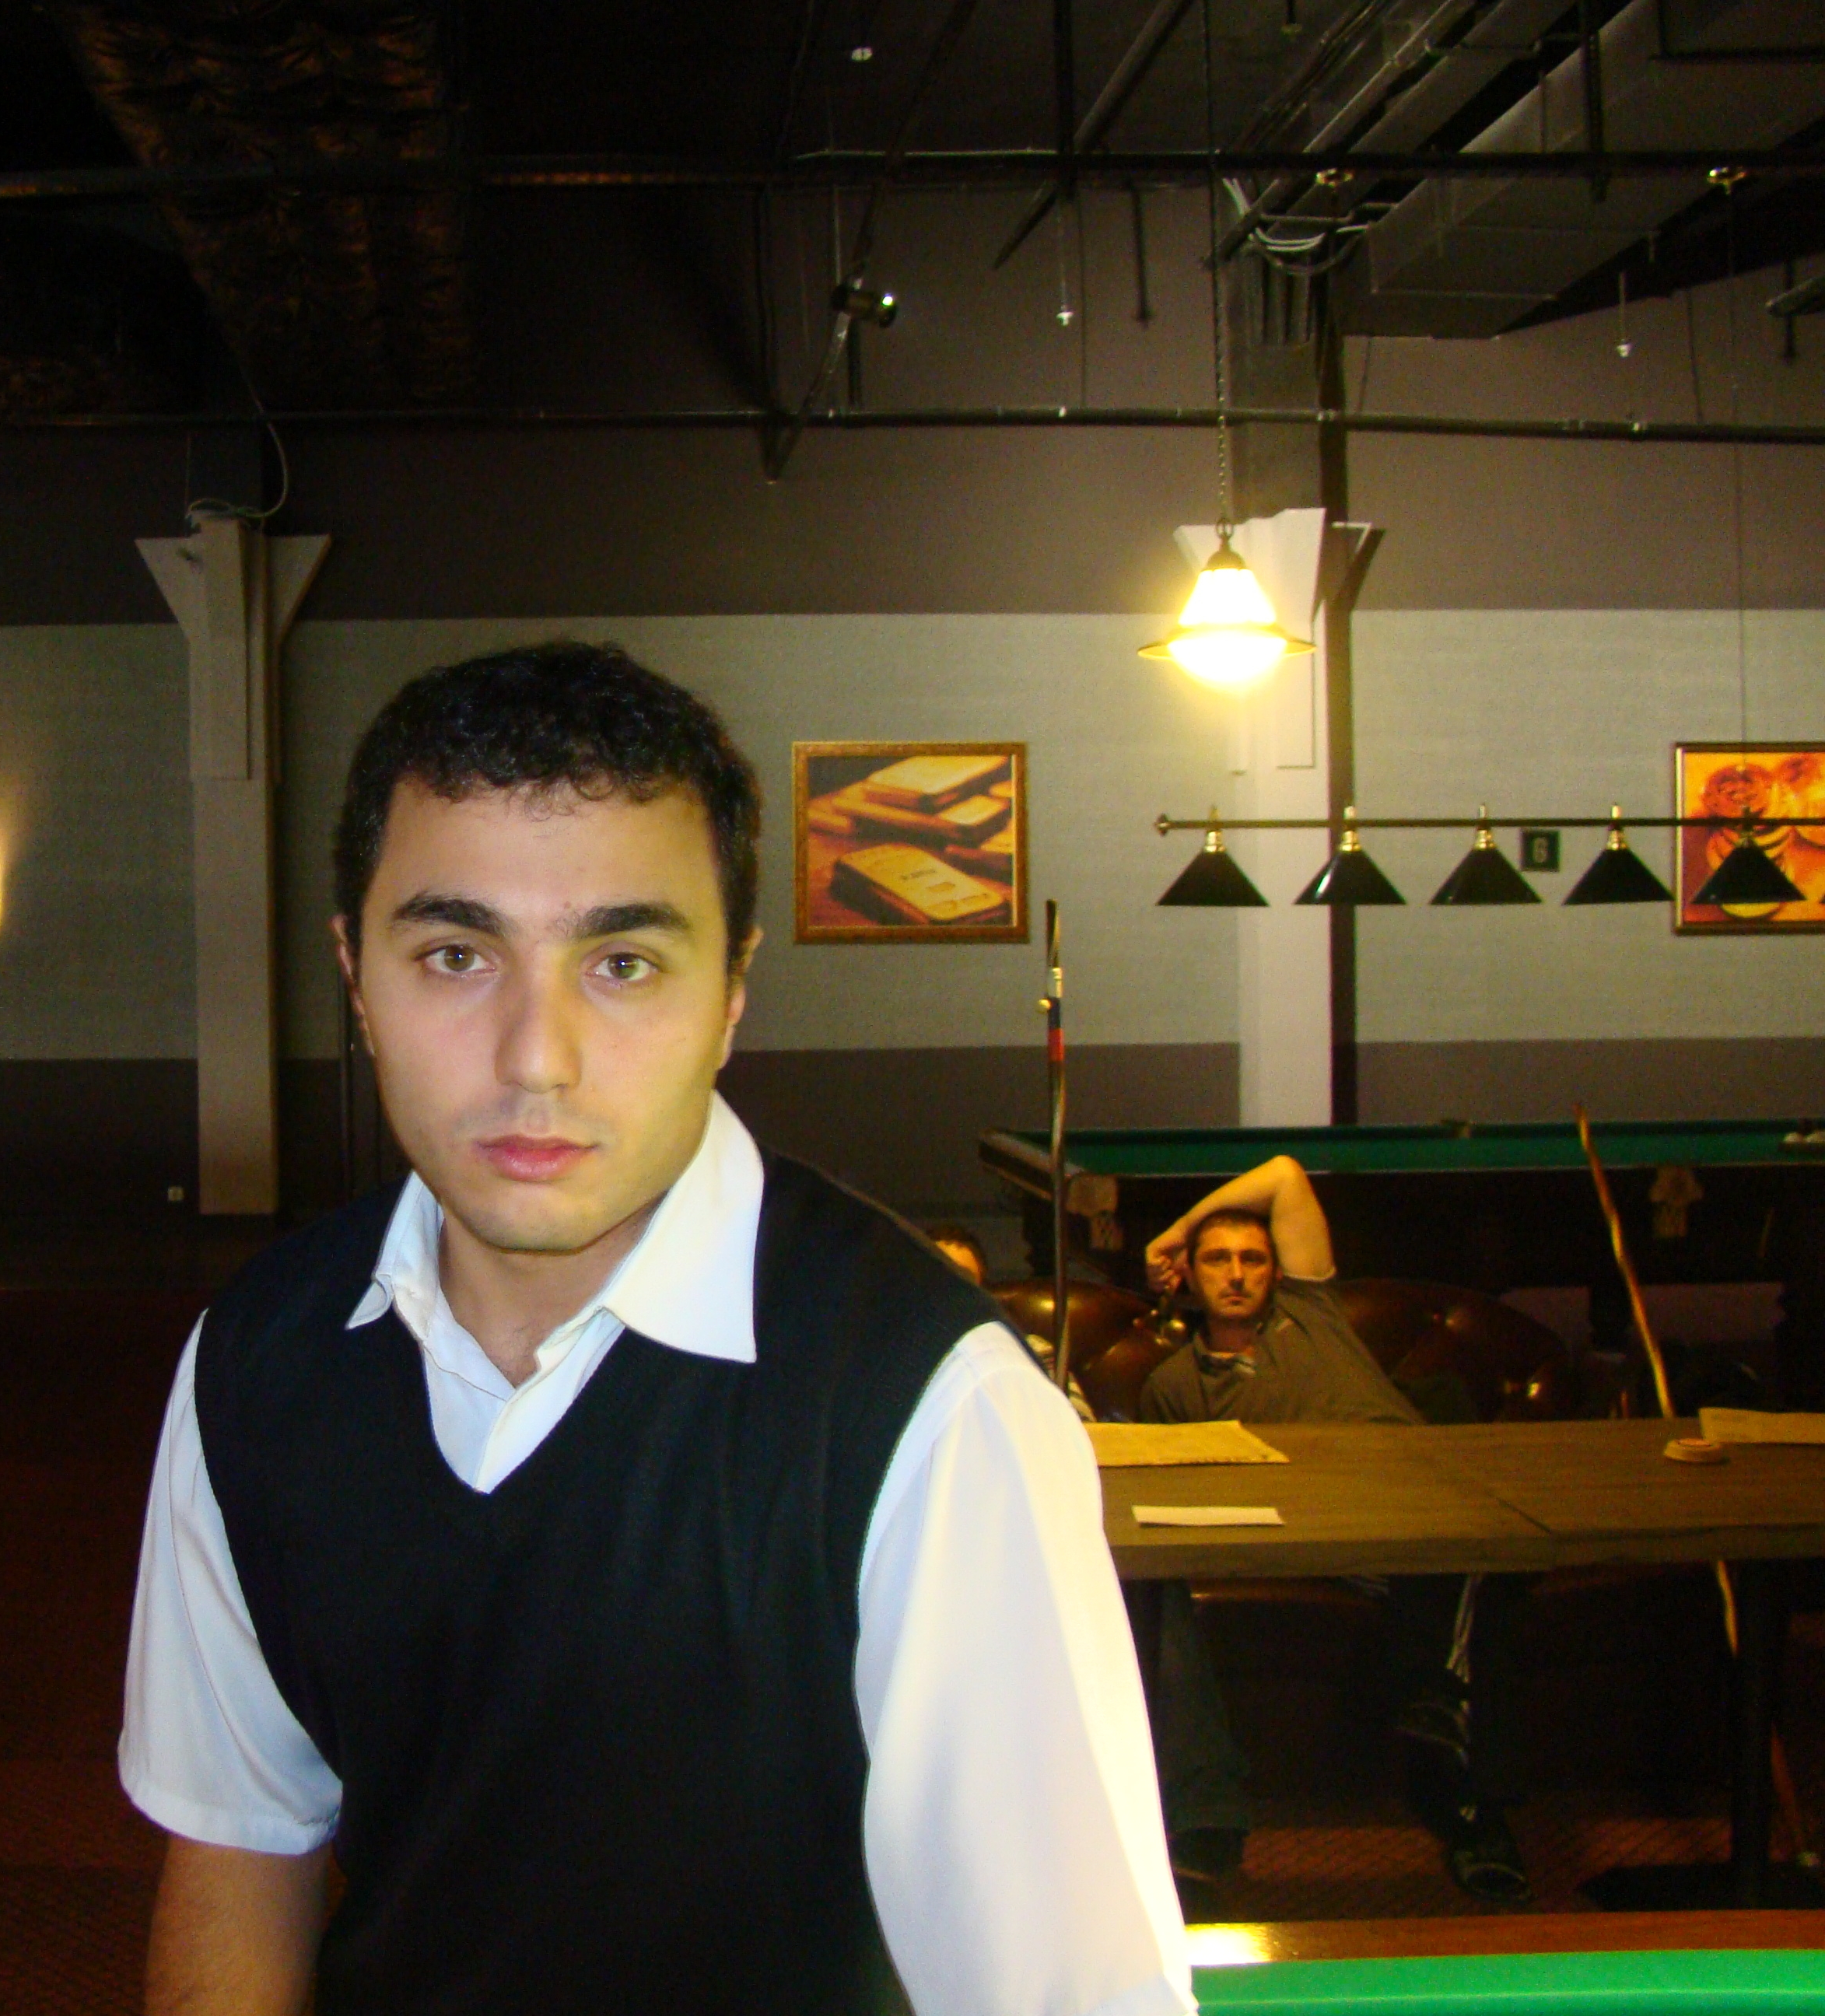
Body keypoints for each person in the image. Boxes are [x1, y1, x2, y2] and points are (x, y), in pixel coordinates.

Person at [121, 643, 1189, 2014]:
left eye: (622, 962)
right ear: (355, 975)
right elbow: (238, 1848)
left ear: (731, 992)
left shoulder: (927, 1410)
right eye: (456, 955)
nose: (536, 1057)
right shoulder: (257, 1358)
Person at [1135, 1157, 1531, 1906]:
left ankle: (1457, 1759)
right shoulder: (1175, 1386)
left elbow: (1285, 1176)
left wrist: (1179, 1229)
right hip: (1318, 1532)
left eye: (1253, 1259)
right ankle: (1448, 1737)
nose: (1237, 1274)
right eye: (1215, 1260)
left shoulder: (1312, 1310)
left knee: (1493, 1540)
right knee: (1475, 1558)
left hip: (1418, 1491)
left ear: (1278, 1273)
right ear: (1189, 1280)